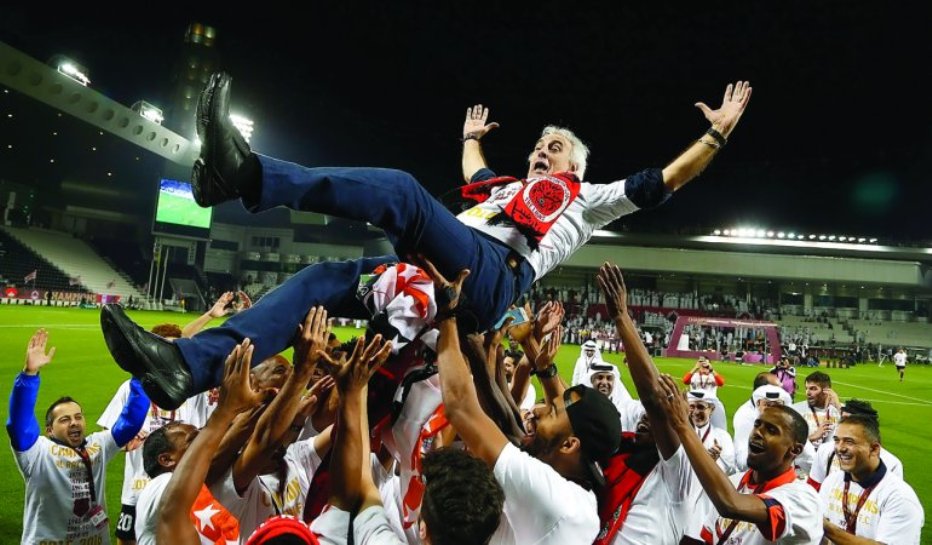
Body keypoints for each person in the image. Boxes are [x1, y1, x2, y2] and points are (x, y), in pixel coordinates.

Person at [100, 74, 753, 411]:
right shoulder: (506, 190)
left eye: (552, 147)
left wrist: (717, 135)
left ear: (575, 165)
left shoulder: (586, 197)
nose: (540, 150)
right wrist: (471, 137)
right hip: (442, 270)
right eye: (537, 143)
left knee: (404, 194)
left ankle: (245, 175)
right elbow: (475, 173)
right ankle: (189, 366)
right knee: (324, 281)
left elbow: (662, 182)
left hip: (491, 279)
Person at [6, 329, 148, 545]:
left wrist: (139, 376)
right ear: (49, 430)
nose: (74, 422)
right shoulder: (37, 453)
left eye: (78, 417)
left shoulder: (98, 445)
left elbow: (130, 422)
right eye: (64, 419)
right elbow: (19, 423)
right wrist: (29, 375)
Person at [595, 262, 700, 544]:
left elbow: (654, 401)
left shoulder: (678, 470)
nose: (644, 419)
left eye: (653, 420)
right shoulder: (622, 452)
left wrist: (621, 317)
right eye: (644, 417)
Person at [658, 378, 824, 544]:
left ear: (795, 450)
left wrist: (683, 426)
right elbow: (709, 538)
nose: (757, 432)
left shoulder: (803, 499)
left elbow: (731, 505)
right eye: (757, 425)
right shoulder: (734, 482)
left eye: (772, 430)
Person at [819, 415, 923, 544]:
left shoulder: (899, 497)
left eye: (849, 442)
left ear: (874, 449)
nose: (840, 448)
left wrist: (825, 528)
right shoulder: (832, 481)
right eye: (836, 440)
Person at [806, 399, 903, 490]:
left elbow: (892, 495)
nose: (843, 425)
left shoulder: (891, 463)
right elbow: (813, 488)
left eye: (849, 421)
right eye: (842, 419)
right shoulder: (826, 450)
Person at [687, 390, 736, 475]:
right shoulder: (678, 434)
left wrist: (714, 462)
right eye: (692, 407)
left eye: (701, 407)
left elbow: (731, 470)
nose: (696, 412)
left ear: (712, 410)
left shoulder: (723, 437)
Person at [791, 371, 840, 451]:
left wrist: (838, 405)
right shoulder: (796, 410)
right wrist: (813, 437)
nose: (808, 393)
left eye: (813, 389)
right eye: (806, 388)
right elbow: (787, 443)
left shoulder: (836, 411)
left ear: (826, 391)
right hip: (803, 458)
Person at [682, 356, 727, 429]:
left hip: (709, 404)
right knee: (692, 425)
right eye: (701, 364)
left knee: (712, 426)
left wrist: (712, 370)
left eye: (706, 364)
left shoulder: (713, 376)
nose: (704, 366)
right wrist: (695, 368)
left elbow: (721, 383)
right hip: (695, 404)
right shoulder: (694, 375)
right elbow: (685, 381)